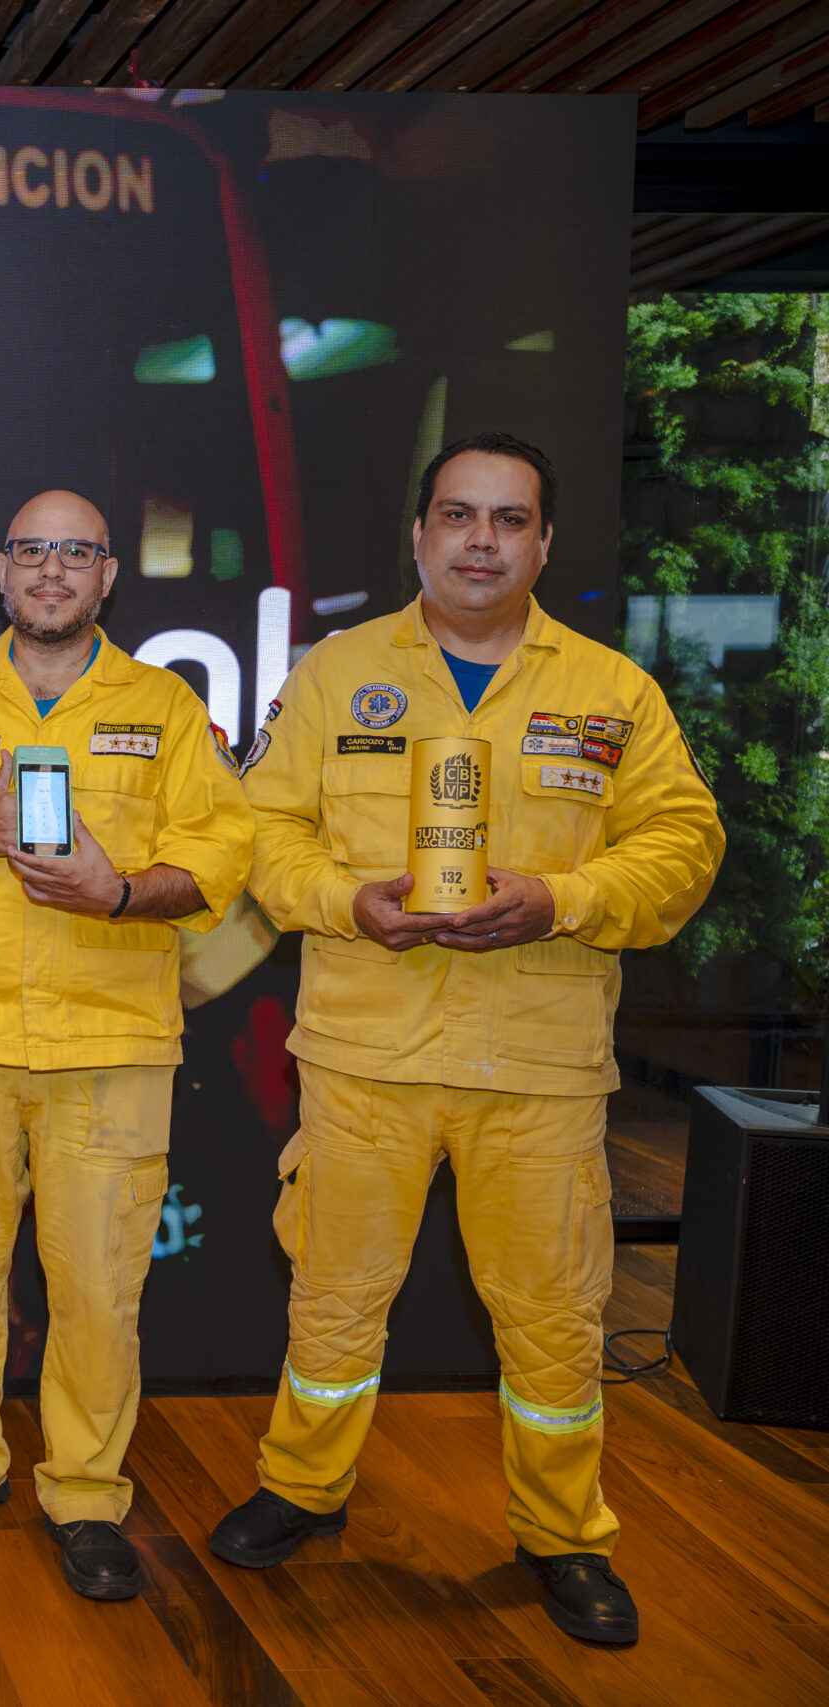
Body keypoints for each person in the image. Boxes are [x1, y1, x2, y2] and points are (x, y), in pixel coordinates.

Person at [211, 434, 724, 1646]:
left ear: (543, 543)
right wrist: (346, 901)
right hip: (365, 1056)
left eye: (507, 520)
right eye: (457, 515)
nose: (480, 541)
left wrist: (562, 900)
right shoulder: (335, 674)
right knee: (333, 1302)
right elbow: (258, 832)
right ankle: (302, 1487)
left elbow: (682, 844)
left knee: (551, 1321)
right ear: (419, 535)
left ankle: (563, 1535)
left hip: (535, 1064)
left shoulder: (611, 692)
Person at [0, 488, 255, 1602]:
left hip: (108, 1047)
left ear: (107, 576)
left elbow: (221, 857)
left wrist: (118, 892)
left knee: (97, 1292)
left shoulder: (165, 708)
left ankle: (84, 1492)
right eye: (32, 549)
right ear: (1, 568)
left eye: (76, 552)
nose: (51, 570)